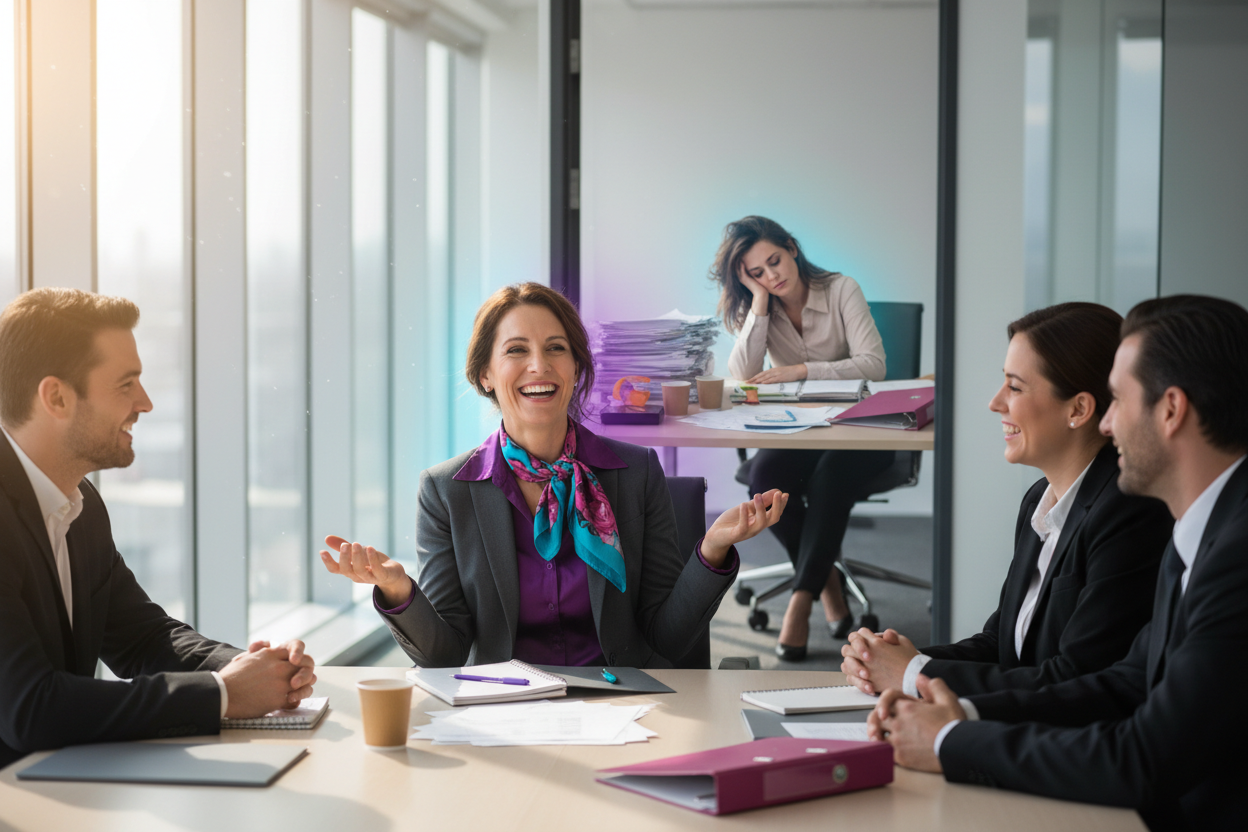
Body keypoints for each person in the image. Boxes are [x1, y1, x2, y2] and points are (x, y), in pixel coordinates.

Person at [868, 295, 1248, 830]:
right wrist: (954, 714)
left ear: (1170, 410)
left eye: (1117, 400)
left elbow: (1145, 756)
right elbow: (1126, 683)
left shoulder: (1233, 555)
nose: (1109, 424)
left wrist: (951, 738)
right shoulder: (1200, 528)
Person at [321, 282, 788, 668]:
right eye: (516, 350)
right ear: (485, 374)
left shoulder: (636, 472)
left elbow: (665, 638)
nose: (539, 366)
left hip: (621, 704)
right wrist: (399, 590)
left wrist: (712, 550)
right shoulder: (446, 491)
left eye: (556, 349)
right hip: (506, 712)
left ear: (576, 367)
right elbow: (445, 653)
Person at [0, 288, 316, 769]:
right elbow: (29, 707)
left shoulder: (80, 506)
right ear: (57, 397)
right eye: (126, 384)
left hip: (53, 787)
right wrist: (222, 694)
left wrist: (254, 671)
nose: (144, 403)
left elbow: (142, 639)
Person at [840, 303, 1171, 696]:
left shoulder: (1127, 514)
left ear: (1079, 409)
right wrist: (892, 662)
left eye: (1014, 387)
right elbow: (1003, 645)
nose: (996, 402)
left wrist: (912, 674)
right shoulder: (1040, 502)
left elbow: (1075, 679)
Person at [714, 215, 890, 661]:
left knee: (832, 478)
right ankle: (825, 577)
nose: (772, 275)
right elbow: (742, 376)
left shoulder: (841, 289)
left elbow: (874, 365)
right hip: (803, 430)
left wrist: (803, 370)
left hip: (862, 430)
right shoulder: (765, 303)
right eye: (757, 272)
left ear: (791, 247)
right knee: (764, 476)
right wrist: (758, 302)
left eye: (774, 261)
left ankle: (801, 599)